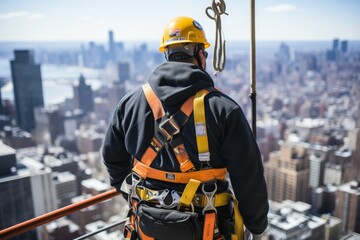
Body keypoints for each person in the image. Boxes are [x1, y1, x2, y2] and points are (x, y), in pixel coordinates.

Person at [102, 16, 268, 240]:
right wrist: (256, 227)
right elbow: (249, 177)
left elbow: (112, 158)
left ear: (166, 54)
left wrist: (135, 194)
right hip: (209, 230)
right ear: (200, 54)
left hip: (147, 228)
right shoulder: (224, 110)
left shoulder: (129, 103)